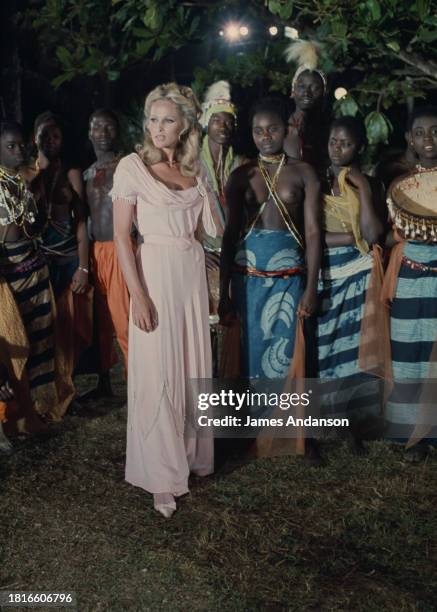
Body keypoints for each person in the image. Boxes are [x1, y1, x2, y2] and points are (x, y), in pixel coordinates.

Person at [112, 83, 216, 518]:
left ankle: (191, 457)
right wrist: (138, 295)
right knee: (158, 371)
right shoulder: (131, 167)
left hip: (189, 277)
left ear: (186, 126)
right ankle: (159, 475)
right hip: (153, 274)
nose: (157, 128)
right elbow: (121, 236)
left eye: (167, 120)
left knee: (192, 365)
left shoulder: (196, 173)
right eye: (152, 119)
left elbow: (206, 235)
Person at [219, 97, 321, 459]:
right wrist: (223, 292)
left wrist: (311, 288)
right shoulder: (240, 175)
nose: (265, 136)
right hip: (248, 280)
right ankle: (248, 431)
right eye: (258, 131)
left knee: (295, 354)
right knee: (250, 355)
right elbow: (230, 236)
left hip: (291, 279)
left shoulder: (304, 173)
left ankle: (300, 436)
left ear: (286, 129)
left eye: (273, 129)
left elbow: (312, 233)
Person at [317, 116, 387, 453]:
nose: (337, 148)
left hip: (362, 276)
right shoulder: (316, 182)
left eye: (345, 143)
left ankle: (355, 426)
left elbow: (375, 235)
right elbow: (312, 237)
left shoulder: (370, 183)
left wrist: (362, 189)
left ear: (359, 146)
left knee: (356, 353)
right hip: (329, 275)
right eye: (333, 141)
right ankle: (330, 421)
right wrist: (350, 237)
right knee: (327, 349)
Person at [383, 106, 437, 461]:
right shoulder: (398, 183)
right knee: (407, 352)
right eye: (420, 132)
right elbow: (386, 236)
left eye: (435, 131)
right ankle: (410, 435)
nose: (428, 139)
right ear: (409, 139)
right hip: (408, 276)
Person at [29, 112, 92, 411]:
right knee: (41, 328)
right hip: (37, 261)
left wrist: (83, 267)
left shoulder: (72, 173)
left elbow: (82, 222)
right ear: (34, 137)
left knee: (67, 329)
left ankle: (67, 392)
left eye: (56, 136)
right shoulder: (26, 173)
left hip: (67, 260)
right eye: (44, 135)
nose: (50, 141)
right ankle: (40, 395)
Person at [0, 121, 60, 433]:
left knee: (40, 342)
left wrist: (39, 134)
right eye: (10, 146)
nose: (18, 150)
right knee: (16, 348)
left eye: (20, 144)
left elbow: (44, 162)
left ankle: (33, 412)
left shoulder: (20, 177)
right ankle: (18, 416)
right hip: (10, 279)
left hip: (35, 268)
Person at [82, 108, 130, 397]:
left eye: (109, 127)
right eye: (97, 128)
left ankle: (136, 384)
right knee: (100, 323)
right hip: (96, 253)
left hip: (120, 250)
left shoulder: (127, 166)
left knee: (124, 320)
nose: (103, 133)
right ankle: (104, 383)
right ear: (89, 133)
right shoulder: (87, 172)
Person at [199, 81, 244, 372]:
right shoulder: (190, 164)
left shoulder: (240, 164)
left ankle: (226, 387)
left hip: (233, 253)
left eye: (228, 121)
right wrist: (198, 246)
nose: (223, 126)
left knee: (229, 322)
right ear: (206, 124)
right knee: (203, 325)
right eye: (217, 120)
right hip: (200, 253)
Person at [283, 39, 329, 169]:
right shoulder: (280, 128)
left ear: (324, 93)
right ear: (293, 90)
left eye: (314, 88)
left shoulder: (328, 132)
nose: (307, 93)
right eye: (302, 86)